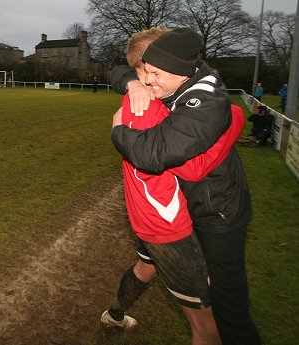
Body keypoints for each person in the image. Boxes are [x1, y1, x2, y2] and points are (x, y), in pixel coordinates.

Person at [110, 28, 261, 345]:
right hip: (175, 217)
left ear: (181, 70)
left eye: (154, 73)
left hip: (217, 212)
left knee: (229, 310)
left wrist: (117, 128)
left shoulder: (205, 102)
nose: (149, 81)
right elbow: (118, 70)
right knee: (148, 268)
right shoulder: (158, 86)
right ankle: (115, 313)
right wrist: (131, 82)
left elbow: (183, 163)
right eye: (145, 72)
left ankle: (115, 312)